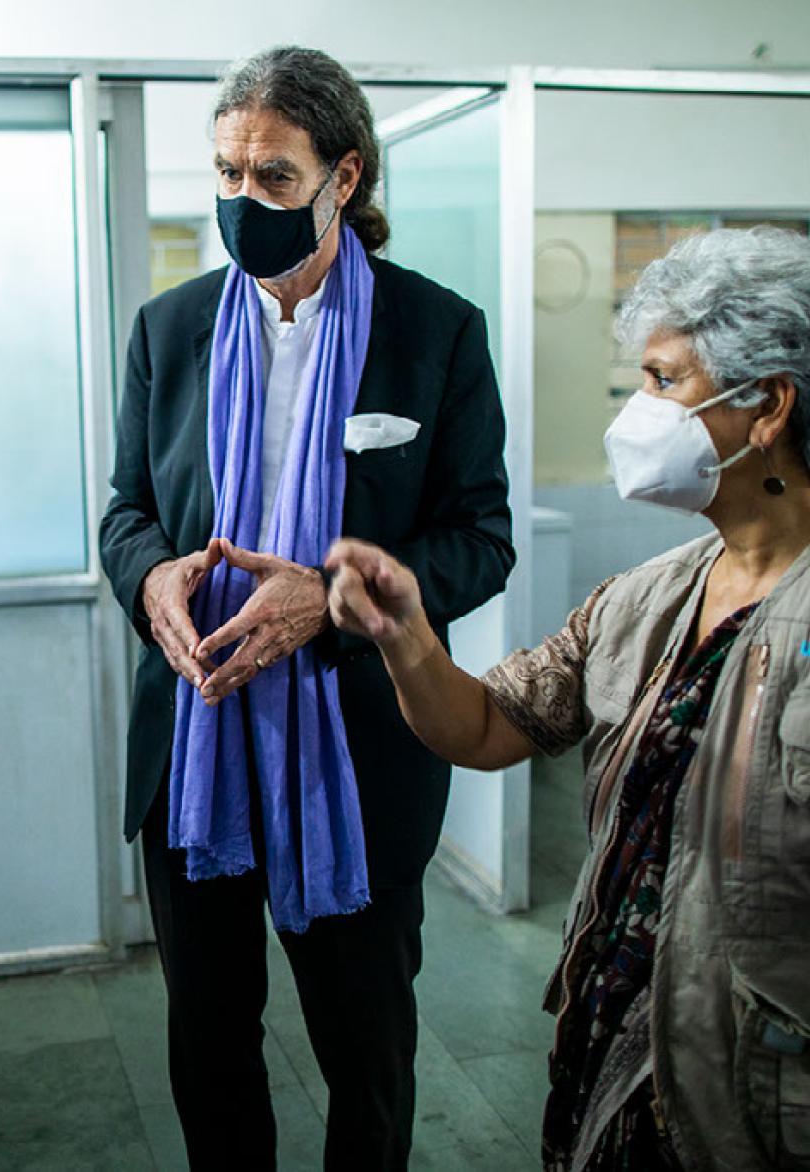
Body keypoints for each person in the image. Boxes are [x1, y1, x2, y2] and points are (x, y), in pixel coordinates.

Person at [325, 227, 810, 1170]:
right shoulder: (648, 597)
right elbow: (486, 726)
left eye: (662, 381)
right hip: (620, 1075)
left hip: (805, 1112)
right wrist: (403, 632)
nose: (637, 414)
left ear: (768, 405)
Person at [99, 46, 513, 1170]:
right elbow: (127, 512)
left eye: (275, 177)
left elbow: (481, 540)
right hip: (195, 741)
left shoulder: (434, 332)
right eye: (227, 174)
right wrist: (151, 576)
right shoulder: (170, 329)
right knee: (209, 1043)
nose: (244, 199)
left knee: (364, 1050)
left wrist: (327, 601)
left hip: (357, 752)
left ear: (345, 176)